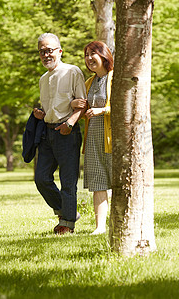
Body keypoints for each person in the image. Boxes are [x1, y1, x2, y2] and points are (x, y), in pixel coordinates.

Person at [33, 33, 86, 235]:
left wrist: (70, 124)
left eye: (50, 50)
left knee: (68, 180)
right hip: (47, 132)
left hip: (67, 132)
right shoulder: (43, 79)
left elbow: (82, 103)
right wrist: (41, 115)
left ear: (60, 51)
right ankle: (67, 211)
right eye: (42, 51)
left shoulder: (72, 72)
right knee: (41, 178)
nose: (46, 54)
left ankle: (67, 223)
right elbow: (52, 108)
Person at [71, 41, 113, 235]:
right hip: (93, 140)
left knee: (118, 182)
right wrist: (75, 104)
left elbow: (124, 105)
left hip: (112, 140)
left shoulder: (115, 78)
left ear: (104, 56)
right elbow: (81, 110)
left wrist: (102, 110)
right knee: (98, 184)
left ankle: (120, 222)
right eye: (86, 55)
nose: (89, 59)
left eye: (93, 54)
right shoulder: (88, 83)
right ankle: (100, 227)